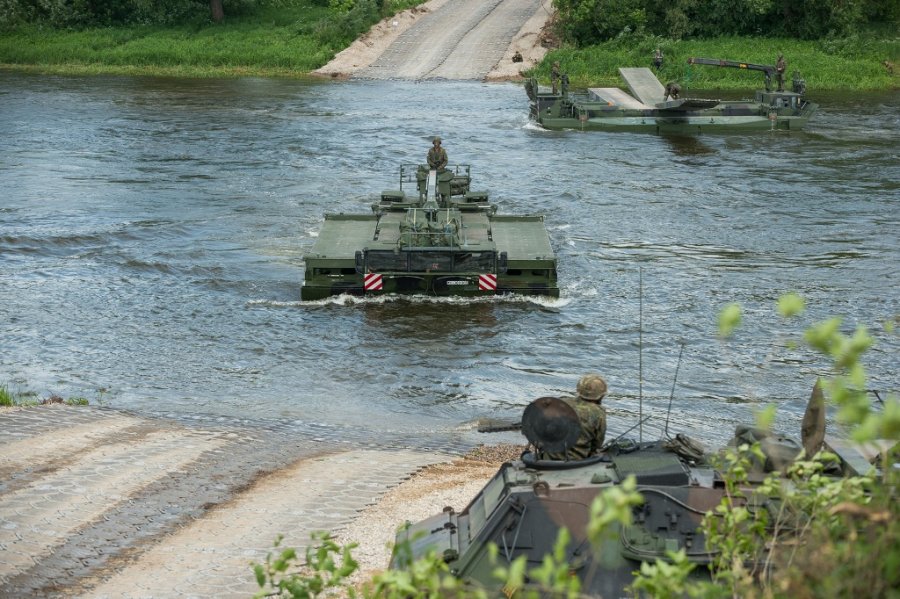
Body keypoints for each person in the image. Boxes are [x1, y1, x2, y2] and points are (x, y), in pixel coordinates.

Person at [543, 374, 609, 461]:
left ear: (579, 390)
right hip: (575, 461)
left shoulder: (562, 401)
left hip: (548, 458)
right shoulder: (599, 413)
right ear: (601, 395)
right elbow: (597, 444)